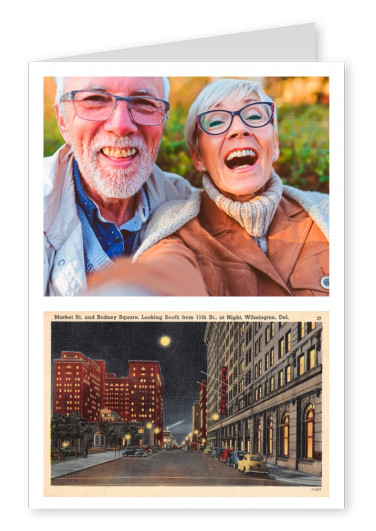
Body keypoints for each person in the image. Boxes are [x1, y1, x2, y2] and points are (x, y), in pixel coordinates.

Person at [87, 78, 329, 296]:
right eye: (216, 121)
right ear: (198, 157)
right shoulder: (177, 229)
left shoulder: (328, 213)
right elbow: (165, 271)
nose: (239, 129)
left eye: (254, 116)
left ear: (274, 144)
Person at [44, 76, 198, 296]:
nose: (121, 126)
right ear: (62, 120)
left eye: (144, 103)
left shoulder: (187, 204)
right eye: (95, 99)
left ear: (163, 121)